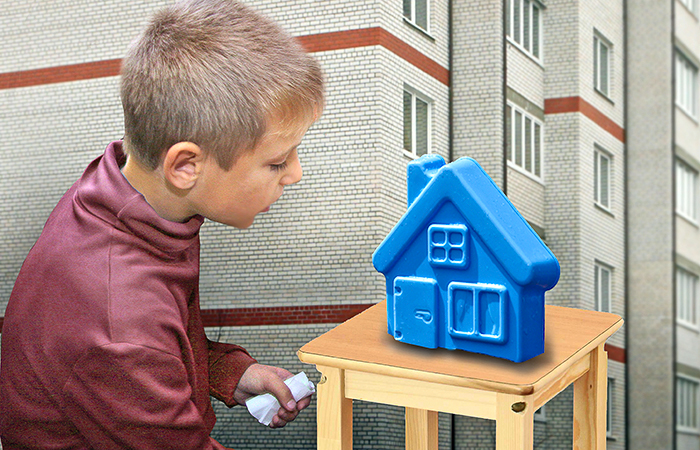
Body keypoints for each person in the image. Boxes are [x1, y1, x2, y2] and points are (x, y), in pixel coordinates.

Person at [0, 0, 324, 448]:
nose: (295, 174)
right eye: (276, 162)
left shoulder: (134, 197)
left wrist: (231, 372)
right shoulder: (118, 320)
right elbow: (133, 347)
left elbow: (159, 343)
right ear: (185, 166)